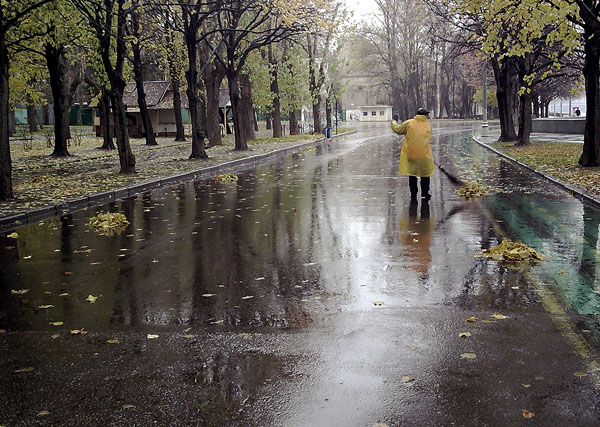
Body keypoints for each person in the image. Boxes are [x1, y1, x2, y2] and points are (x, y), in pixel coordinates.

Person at [390, 108, 434, 200]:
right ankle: (425, 193)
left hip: (411, 153)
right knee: (425, 175)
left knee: (412, 174)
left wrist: (394, 121)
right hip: (424, 154)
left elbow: (398, 130)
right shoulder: (428, 125)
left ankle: (413, 194)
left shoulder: (409, 123)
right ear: (425, 115)